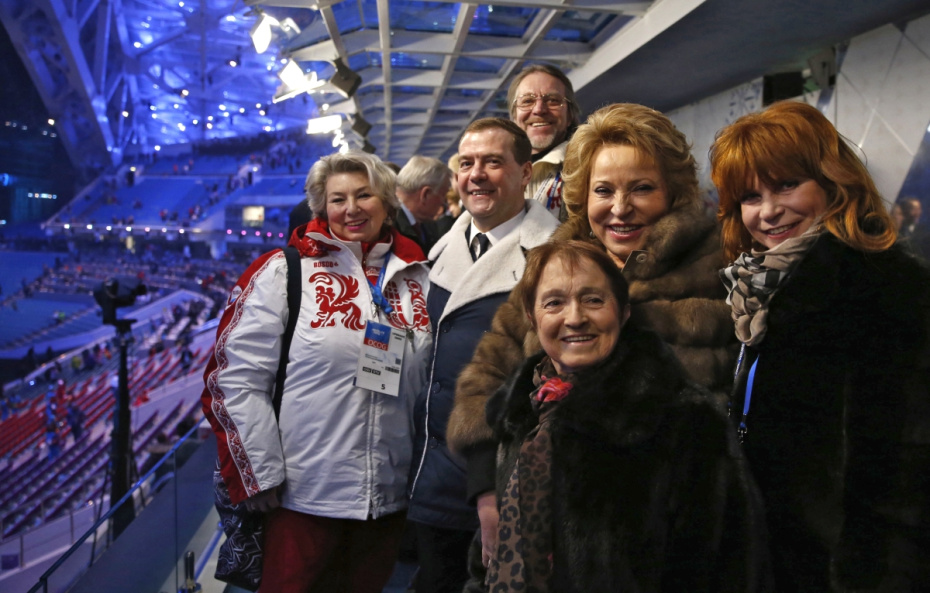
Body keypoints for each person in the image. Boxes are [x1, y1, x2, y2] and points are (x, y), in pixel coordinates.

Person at [447, 103, 737, 569]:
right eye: (604, 190)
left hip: (661, 546)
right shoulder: (553, 270)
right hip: (538, 534)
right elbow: (484, 377)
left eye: (642, 188)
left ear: (673, 192)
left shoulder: (716, 274)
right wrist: (485, 489)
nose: (620, 209)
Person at [711, 100, 930, 591]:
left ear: (833, 183)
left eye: (788, 184)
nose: (768, 211)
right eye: (750, 196)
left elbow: (904, 475)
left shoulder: (884, 288)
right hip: (773, 556)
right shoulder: (760, 290)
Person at [470, 240, 769, 592]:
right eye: (554, 303)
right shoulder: (522, 412)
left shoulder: (685, 421)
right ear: (532, 317)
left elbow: (729, 567)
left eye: (593, 300)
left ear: (624, 312)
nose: (575, 317)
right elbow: (493, 552)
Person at [202, 150, 433, 593]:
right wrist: (259, 473)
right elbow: (233, 379)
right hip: (302, 499)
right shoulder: (284, 272)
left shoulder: (418, 277)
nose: (351, 209)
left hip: (388, 501)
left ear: (386, 201)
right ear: (320, 207)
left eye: (364, 195)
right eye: (337, 198)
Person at [407, 118, 559, 593]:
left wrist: (490, 488)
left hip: (500, 483)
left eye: (493, 162)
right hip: (432, 474)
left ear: (525, 172)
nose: (476, 174)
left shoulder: (555, 257)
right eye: (466, 163)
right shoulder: (440, 250)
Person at [507, 63, 581, 219]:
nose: (539, 109)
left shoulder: (588, 165)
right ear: (514, 116)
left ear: (569, 115)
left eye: (553, 100)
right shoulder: (501, 170)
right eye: (527, 101)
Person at [395, 155, 454, 253]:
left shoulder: (422, 224)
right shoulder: (386, 227)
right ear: (425, 194)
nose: (444, 202)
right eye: (443, 194)